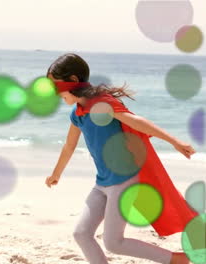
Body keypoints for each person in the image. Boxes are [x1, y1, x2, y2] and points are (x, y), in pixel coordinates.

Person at [44, 53, 196, 264]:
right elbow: (69, 146)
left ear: (73, 81)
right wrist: (56, 174)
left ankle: (176, 260)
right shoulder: (77, 113)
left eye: (55, 86)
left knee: (114, 242)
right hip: (102, 183)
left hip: (125, 181)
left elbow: (135, 121)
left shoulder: (101, 104)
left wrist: (174, 141)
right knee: (81, 233)